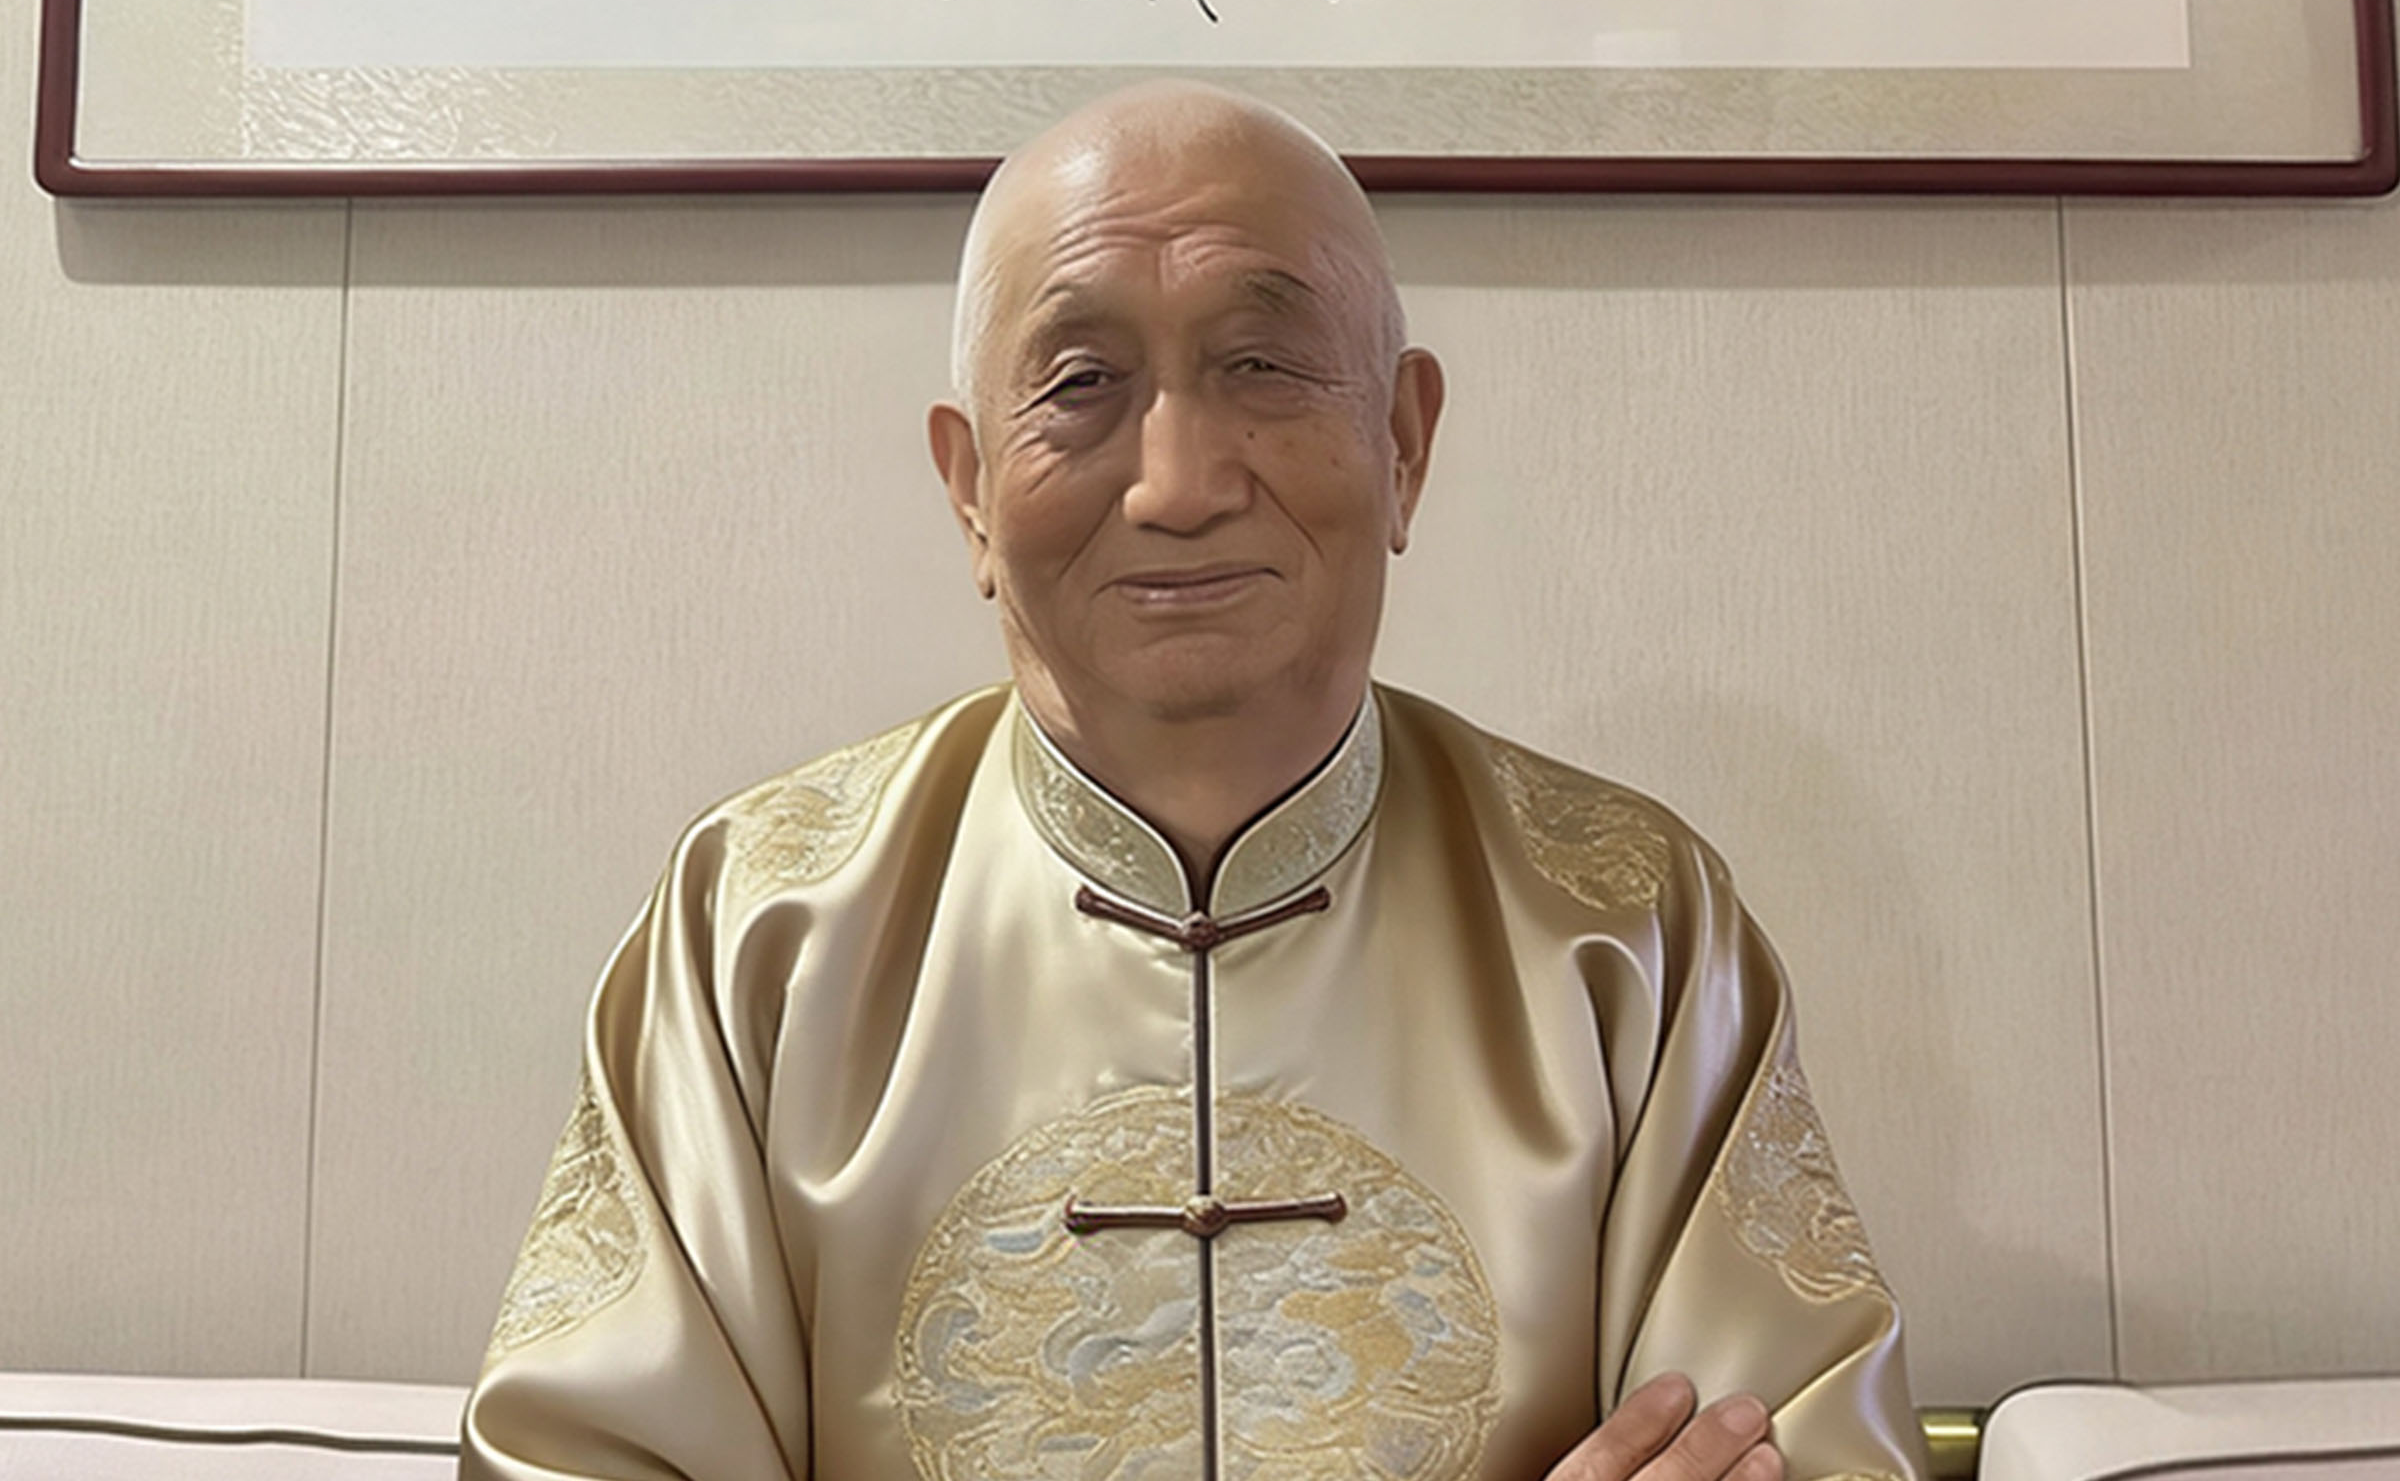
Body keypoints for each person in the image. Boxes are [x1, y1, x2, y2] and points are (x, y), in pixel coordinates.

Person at [460, 83, 1929, 1481]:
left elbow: (1792, 1445)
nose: (1177, 484)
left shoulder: (1627, 925)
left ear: (1404, 441)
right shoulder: (759, 929)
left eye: (1262, 367)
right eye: (1081, 385)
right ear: (969, 489)